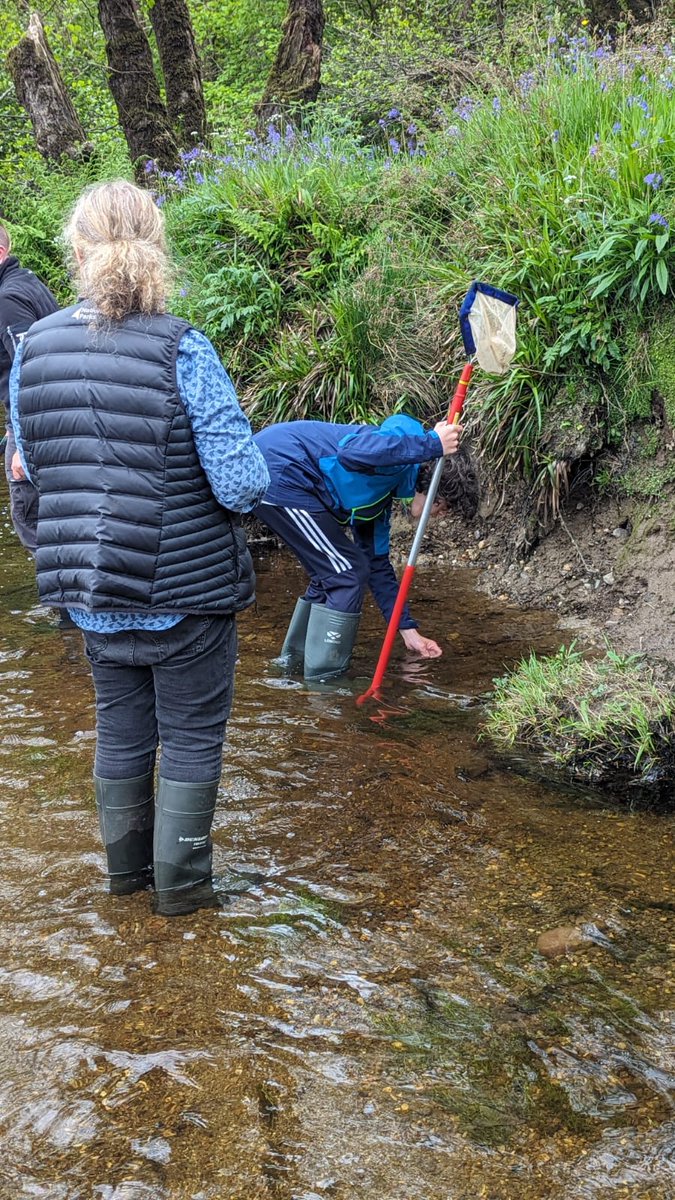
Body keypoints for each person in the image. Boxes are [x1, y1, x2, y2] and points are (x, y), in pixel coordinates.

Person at [11, 180, 270, 917]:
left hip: (91, 595)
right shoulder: (184, 348)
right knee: (189, 740)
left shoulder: (32, 350)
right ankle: (182, 896)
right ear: (157, 246)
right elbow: (242, 483)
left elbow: (28, 472)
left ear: (78, 250)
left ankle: (125, 889)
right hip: (184, 595)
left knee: (121, 735)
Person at [253, 414, 474, 680]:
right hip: (280, 469)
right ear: (435, 490)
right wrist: (432, 444)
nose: (441, 515)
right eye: (444, 507)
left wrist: (408, 631)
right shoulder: (398, 450)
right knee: (347, 574)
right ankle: (325, 678)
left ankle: (293, 666)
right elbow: (352, 451)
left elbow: (377, 567)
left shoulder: (379, 501)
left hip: (286, 479)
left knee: (335, 573)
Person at [0, 222, 59, 552]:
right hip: (52, 417)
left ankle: (66, 602)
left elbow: (30, 369)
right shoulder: (27, 281)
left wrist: (22, 443)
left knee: (32, 524)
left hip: (32, 425)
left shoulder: (7, 299)